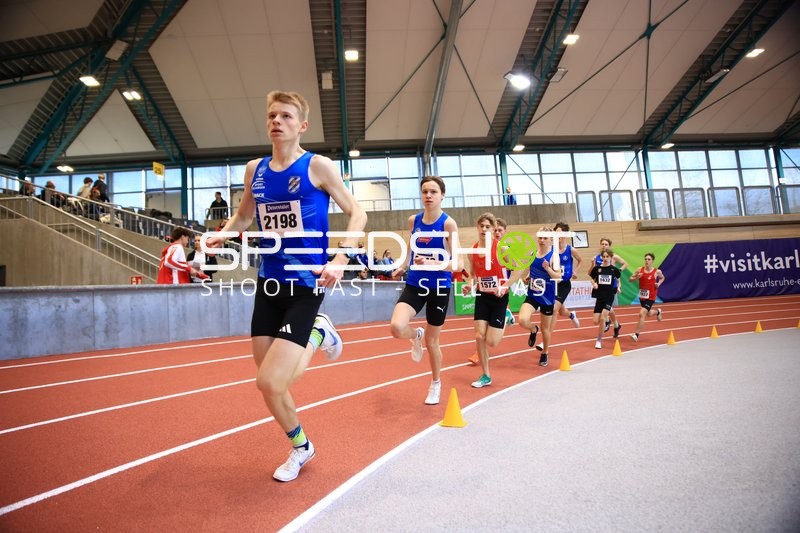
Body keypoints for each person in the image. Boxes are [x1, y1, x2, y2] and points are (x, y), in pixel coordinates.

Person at [206, 90, 366, 482]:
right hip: (269, 283)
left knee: (271, 380)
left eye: (286, 116)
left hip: (306, 283)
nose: (277, 121)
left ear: (302, 125)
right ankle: (302, 446)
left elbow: (357, 213)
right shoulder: (254, 170)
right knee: (271, 385)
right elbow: (245, 216)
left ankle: (317, 331)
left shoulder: (318, 166)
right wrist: (220, 235)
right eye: (272, 116)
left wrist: (340, 259)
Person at [390, 175, 461, 405]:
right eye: (425, 192)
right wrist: (403, 266)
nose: (428, 196)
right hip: (415, 283)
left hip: (439, 287)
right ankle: (416, 335)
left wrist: (432, 262)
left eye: (433, 192)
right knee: (396, 327)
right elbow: (411, 247)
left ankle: (436, 383)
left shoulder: (448, 224)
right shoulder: (414, 221)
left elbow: (458, 264)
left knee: (433, 343)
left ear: (442, 195)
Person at [462, 212, 509, 388]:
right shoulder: (473, 251)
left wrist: (505, 286)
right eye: (481, 226)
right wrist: (470, 285)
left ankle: (505, 317)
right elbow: (473, 274)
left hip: (499, 297)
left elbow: (517, 269)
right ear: (477, 228)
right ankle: (486, 375)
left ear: (493, 229)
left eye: (487, 226)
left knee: (492, 342)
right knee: (479, 336)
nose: (484, 229)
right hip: (482, 295)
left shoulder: (501, 249)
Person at [506, 226, 561, 367]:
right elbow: (532, 269)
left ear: (551, 240)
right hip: (533, 294)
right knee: (522, 320)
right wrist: (528, 277)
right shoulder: (533, 253)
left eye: (545, 238)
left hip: (547, 297)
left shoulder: (554, 257)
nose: (541, 240)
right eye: (540, 238)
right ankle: (533, 329)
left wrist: (548, 268)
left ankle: (545, 353)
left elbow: (558, 277)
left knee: (546, 329)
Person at [588, 237, 627, 338]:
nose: (604, 246)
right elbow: (592, 273)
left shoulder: (614, 256)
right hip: (600, 287)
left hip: (611, 286)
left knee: (607, 308)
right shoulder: (596, 257)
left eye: (606, 244)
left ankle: (607, 321)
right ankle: (615, 324)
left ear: (609, 246)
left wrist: (618, 271)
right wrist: (592, 265)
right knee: (609, 308)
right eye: (602, 244)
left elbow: (625, 264)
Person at [589, 249, 622, 349]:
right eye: (604, 256)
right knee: (595, 321)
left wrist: (619, 287)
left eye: (608, 256)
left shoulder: (614, 269)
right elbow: (591, 279)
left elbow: (618, 280)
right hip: (599, 296)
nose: (605, 258)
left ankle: (598, 340)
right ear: (602, 257)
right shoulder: (597, 268)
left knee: (603, 318)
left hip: (609, 295)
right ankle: (611, 315)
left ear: (611, 257)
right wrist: (594, 284)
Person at [629, 253, 666, 342]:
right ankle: (658, 312)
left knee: (642, 314)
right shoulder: (639, 269)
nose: (646, 261)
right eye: (645, 259)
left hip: (651, 296)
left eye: (649, 259)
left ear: (652, 261)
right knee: (648, 314)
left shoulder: (657, 271)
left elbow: (662, 278)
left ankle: (636, 335)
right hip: (642, 296)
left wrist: (658, 284)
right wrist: (636, 277)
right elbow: (630, 279)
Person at [552, 222, 582, 329]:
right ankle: (572, 315)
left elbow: (580, 260)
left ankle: (547, 336)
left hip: (564, 284)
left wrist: (576, 271)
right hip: (553, 283)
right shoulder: (551, 249)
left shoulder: (571, 250)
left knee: (553, 309)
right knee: (562, 311)